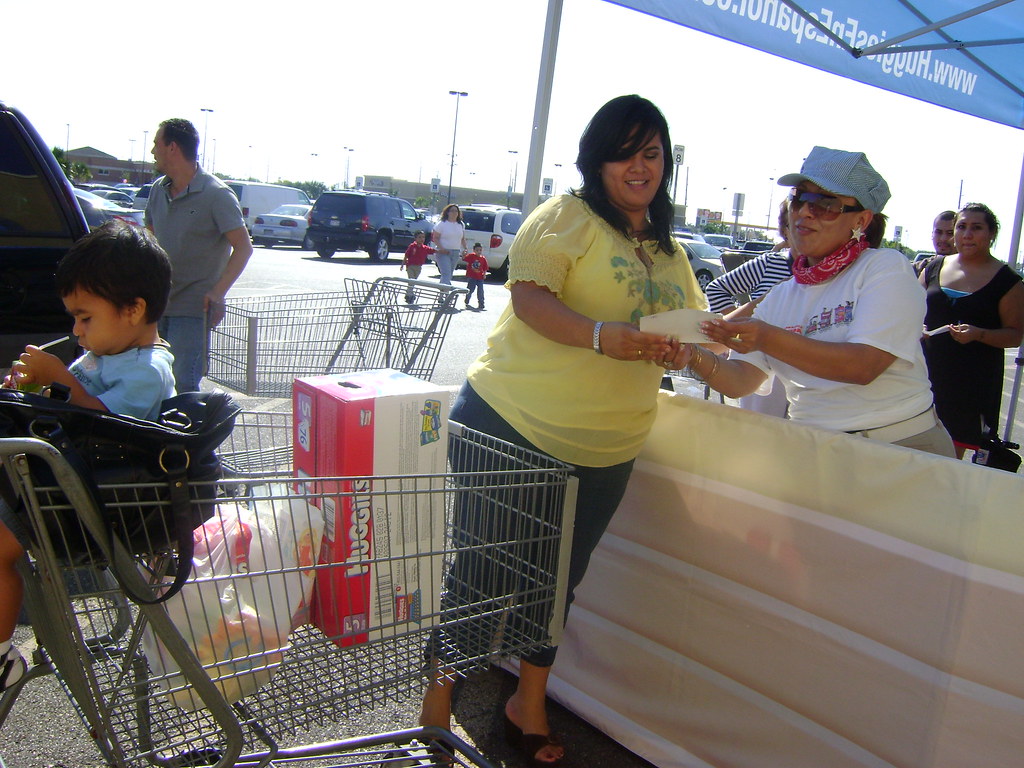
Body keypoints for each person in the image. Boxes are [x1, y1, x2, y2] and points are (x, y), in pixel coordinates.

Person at [418, 94, 706, 767]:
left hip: (607, 449)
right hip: (513, 423)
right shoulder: (567, 217)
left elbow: (687, 328)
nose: (640, 165)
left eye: (653, 151)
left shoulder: (669, 251)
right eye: (625, 151)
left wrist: (688, 348)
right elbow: (529, 297)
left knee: (554, 585)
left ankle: (528, 703)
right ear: (597, 159)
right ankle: (436, 700)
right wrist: (606, 337)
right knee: (485, 570)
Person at [0, 220, 176, 693]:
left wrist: (60, 377)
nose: (76, 330)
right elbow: (69, 403)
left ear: (133, 309)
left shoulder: (147, 370)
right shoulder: (104, 354)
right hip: (56, 489)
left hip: (87, 503)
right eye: (73, 319)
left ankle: (1, 659)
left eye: (85, 317)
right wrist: (32, 388)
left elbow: (105, 425)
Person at [695, 145, 955, 457]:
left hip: (899, 447)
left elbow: (863, 366)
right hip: (815, 449)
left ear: (861, 220)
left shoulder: (884, 269)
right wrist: (690, 357)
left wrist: (765, 337)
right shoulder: (780, 295)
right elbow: (742, 380)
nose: (804, 211)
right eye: (799, 198)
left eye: (825, 203)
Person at [145, 118, 253, 393]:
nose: (152, 150)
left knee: (184, 386)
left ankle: (182, 437)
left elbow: (243, 247)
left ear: (172, 148)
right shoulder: (158, 190)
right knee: (153, 382)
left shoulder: (216, 194)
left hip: (192, 310)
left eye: (156, 143)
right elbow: (149, 240)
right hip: (157, 306)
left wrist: (217, 293)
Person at [920, 203, 1024, 458]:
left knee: (946, 462)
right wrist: (914, 325)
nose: (967, 234)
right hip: (921, 377)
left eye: (976, 228)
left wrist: (979, 334)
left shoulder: (1008, 282)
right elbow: (908, 307)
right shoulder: (933, 268)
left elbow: (1014, 335)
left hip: (968, 386)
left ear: (991, 234)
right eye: (961, 227)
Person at [703, 202, 794, 416]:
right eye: (793, 224)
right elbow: (717, 288)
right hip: (759, 364)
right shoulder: (771, 263)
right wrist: (737, 330)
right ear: (785, 231)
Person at [432, 204, 466, 287]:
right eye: (452, 211)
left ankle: (441, 295)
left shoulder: (460, 224)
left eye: (456, 211)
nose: (454, 213)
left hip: (455, 252)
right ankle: (446, 294)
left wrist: (465, 249)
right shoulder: (442, 224)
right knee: (446, 273)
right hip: (443, 252)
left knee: (448, 275)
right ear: (447, 212)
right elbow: (435, 238)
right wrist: (442, 248)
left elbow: (462, 238)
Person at [401, 230, 436, 302]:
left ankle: (409, 293)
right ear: (415, 238)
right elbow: (406, 255)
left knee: (414, 281)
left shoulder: (425, 248)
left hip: (418, 267)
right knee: (411, 280)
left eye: (423, 237)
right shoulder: (412, 246)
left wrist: (442, 251)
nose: (422, 239)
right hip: (411, 266)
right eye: (419, 237)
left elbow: (433, 251)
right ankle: (409, 294)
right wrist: (402, 265)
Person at [463, 242, 488, 309]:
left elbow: (485, 267)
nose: (479, 252)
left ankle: (481, 303)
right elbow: (464, 258)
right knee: (470, 289)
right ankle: (467, 298)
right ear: (474, 250)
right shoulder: (471, 256)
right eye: (477, 250)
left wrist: (484, 274)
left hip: (480, 277)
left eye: (480, 250)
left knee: (480, 291)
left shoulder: (483, 259)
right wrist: (464, 254)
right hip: (472, 277)